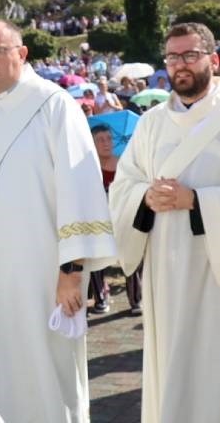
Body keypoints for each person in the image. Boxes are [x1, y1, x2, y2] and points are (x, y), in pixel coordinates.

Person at [0, 19, 116, 422]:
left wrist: (72, 272)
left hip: (44, 272)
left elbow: (80, 187)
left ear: (21, 53)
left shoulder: (53, 105)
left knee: (45, 374)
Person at [109, 22, 220, 422]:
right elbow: (124, 185)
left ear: (214, 61)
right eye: (172, 57)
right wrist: (144, 197)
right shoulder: (150, 124)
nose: (179, 65)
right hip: (168, 273)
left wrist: (196, 201)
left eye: (189, 55)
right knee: (174, 373)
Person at [86, 124, 122, 314]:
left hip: (121, 218)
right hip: (98, 219)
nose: (106, 143)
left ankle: (136, 298)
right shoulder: (89, 167)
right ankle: (101, 297)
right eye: (100, 139)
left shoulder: (124, 164)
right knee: (94, 254)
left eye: (109, 138)